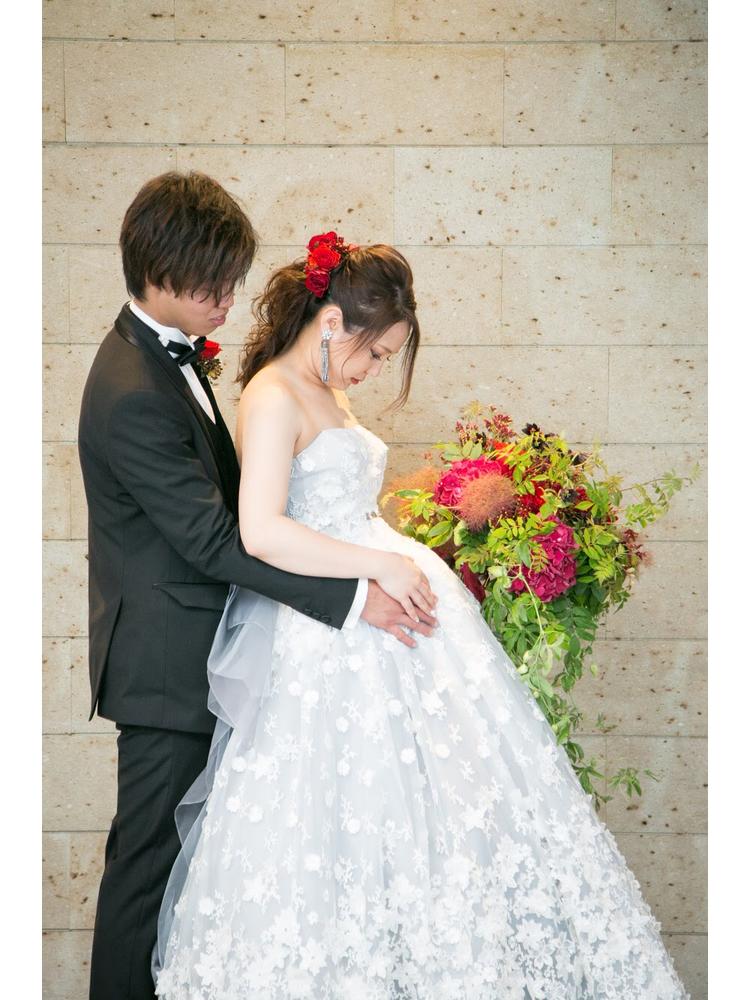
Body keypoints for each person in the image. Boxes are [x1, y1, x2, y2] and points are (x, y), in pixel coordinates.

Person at [152, 233, 688, 999]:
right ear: (331, 322)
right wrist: (378, 564)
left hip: (383, 613)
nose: (374, 370)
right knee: (334, 814)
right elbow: (262, 532)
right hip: (326, 631)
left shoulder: (327, 390)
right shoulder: (272, 394)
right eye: (375, 352)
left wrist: (397, 554)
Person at [78, 179, 436, 1000]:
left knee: (193, 874)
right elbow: (215, 538)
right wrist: (354, 595)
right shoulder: (130, 389)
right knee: (146, 871)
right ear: (161, 269)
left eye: (233, 280)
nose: (228, 300)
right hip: (165, 666)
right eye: (215, 282)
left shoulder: (167, 359)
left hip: (214, 650)